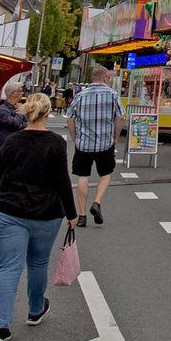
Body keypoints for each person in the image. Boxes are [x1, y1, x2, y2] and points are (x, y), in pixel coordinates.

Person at [0, 92, 76, 341]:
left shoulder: (12, 141)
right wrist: (72, 213)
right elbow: (62, 182)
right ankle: (35, 309)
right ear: (48, 113)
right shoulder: (56, 143)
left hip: (11, 211)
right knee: (38, 263)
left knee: (8, 267)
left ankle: (0, 327)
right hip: (46, 213)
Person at [67, 66, 124, 227]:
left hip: (83, 144)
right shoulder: (113, 95)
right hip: (105, 144)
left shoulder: (80, 96)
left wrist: (75, 138)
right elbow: (120, 118)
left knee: (83, 176)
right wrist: (115, 137)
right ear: (105, 77)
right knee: (105, 174)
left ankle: (82, 215)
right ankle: (97, 202)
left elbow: (70, 119)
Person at [0, 77, 28, 149]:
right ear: (12, 93)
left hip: (19, 145)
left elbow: (28, 123)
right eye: (20, 91)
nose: (22, 93)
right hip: (6, 147)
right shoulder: (2, 110)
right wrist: (20, 112)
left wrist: (21, 124)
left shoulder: (18, 107)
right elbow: (14, 123)